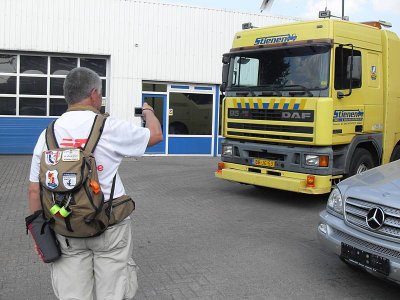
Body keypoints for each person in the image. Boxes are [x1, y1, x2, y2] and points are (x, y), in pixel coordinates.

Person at [27, 67, 163, 300]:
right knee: (112, 293)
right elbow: (155, 136)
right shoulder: (109, 126)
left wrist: (40, 234)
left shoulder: (48, 133)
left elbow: (33, 189)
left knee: (73, 294)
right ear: (93, 94)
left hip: (65, 228)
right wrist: (148, 112)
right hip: (108, 226)